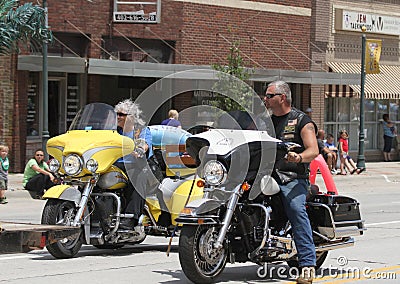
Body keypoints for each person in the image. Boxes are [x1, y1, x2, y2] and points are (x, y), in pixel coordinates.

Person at [263, 80, 319, 284]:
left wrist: (298, 158)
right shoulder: (265, 122)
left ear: (282, 97)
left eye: (269, 96)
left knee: (295, 208)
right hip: (266, 175)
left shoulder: (302, 121)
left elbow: (313, 150)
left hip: (292, 177)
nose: (265, 99)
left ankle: (307, 265)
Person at [114, 99, 154, 229]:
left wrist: (140, 149)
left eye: (121, 114)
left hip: (137, 166)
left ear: (131, 117)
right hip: (115, 166)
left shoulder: (141, 131)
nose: (118, 117)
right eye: (117, 114)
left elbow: (144, 144)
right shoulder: (113, 132)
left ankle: (131, 217)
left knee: (139, 177)